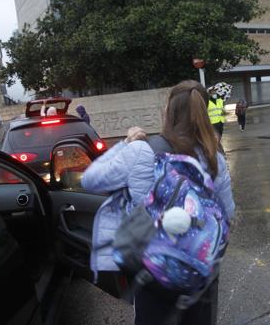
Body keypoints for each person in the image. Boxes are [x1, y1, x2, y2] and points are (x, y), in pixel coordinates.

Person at [81, 80, 234, 325]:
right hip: (198, 272)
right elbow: (228, 213)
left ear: (169, 112)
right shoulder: (214, 157)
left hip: (152, 272)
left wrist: (125, 144)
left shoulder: (142, 151)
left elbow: (90, 180)